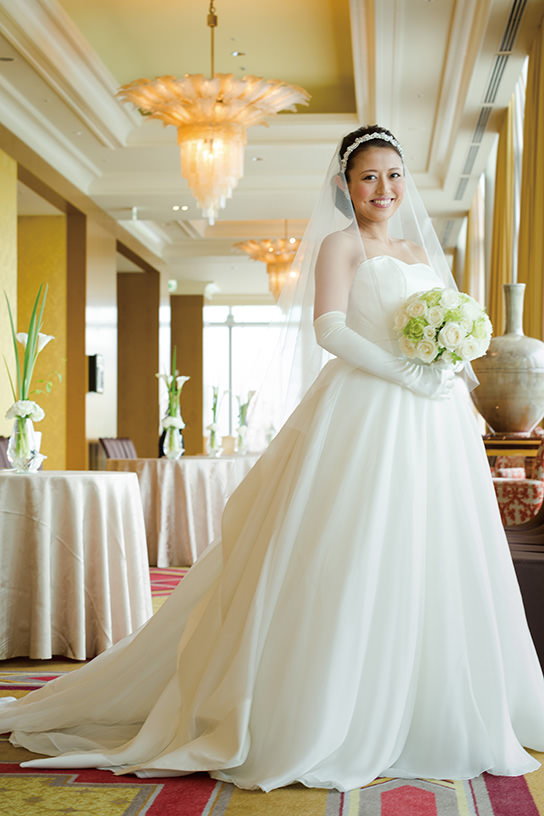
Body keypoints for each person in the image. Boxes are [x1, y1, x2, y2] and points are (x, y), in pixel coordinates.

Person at [1, 126, 544, 793]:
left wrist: (452, 369)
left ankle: (430, 704)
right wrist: (405, 373)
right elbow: (331, 329)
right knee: (347, 547)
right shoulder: (341, 247)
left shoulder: (418, 251)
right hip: (367, 409)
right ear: (346, 186)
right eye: (370, 176)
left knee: (432, 549)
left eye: (395, 174)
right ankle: (327, 707)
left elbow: (453, 329)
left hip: (433, 422)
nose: (385, 188)